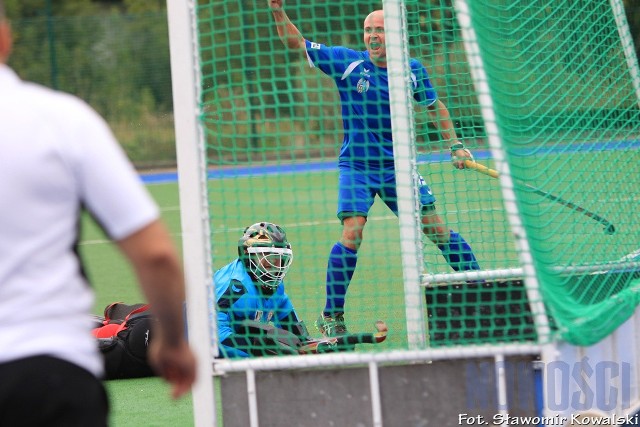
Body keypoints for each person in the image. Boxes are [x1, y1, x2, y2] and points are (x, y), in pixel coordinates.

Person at [0, 3, 196, 425]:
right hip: (51, 370)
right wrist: (173, 341)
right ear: (6, 38)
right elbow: (155, 255)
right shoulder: (62, 120)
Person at [269, 2, 480, 337]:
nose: (372, 35)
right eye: (368, 30)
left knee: (436, 230)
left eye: (379, 29)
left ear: (394, 34)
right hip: (357, 167)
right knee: (352, 231)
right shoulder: (347, 61)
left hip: (399, 167)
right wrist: (278, 11)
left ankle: (480, 290)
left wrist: (455, 145)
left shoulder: (411, 69)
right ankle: (332, 314)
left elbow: (434, 105)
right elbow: (296, 42)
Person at [214, 222, 311, 357]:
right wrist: (259, 351)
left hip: (230, 338)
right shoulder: (235, 287)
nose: (275, 265)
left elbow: (296, 334)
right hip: (191, 340)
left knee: (266, 336)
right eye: (268, 258)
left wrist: (314, 347)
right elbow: (212, 336)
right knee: (263, 340)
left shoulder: (274, 287)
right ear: (248, 255)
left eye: (279, 258)